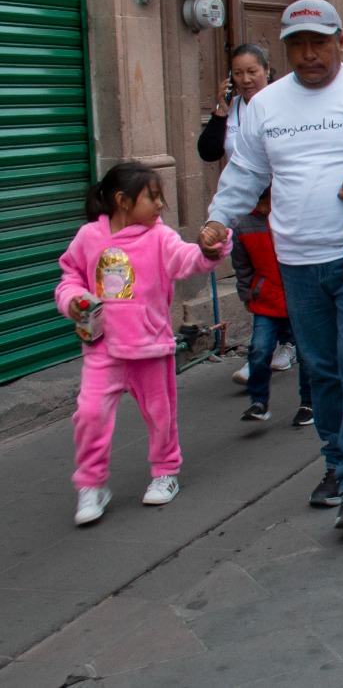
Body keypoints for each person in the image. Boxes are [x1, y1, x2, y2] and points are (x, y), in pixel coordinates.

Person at [202, 0, 343, 532]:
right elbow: (246, 173)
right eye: (298, 46)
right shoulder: (266, 104)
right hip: (297, 262)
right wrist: (219, 219)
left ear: (342, 42)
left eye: (319, 43)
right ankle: (334, 463)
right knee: (320, 368)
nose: (309, 55)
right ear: (286, 49)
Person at [57, 163, 229, 525]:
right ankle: (92, 484)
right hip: (102, 348)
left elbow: (187, 258)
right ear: (122, 201)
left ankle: (165, 471)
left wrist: (210, 251)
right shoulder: (89, 237)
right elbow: (70, 275)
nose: (160, 205)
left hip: (150, 346)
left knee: (160, 414)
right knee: (89, 415)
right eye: (152, 197)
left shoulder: (159, 237)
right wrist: (72, 299)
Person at [198, 45, 296, 385]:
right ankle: (266, 343)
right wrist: (221, 109)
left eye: (252, 71)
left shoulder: (284, 105)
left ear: (267, 70)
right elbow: (208, 151)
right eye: (238, 74)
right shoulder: (234, 108)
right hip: (244, 205)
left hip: (279, 205)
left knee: (280, 273)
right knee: (252, 276)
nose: (245, 79)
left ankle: (284, 343)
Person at [233, 187, 315, 427]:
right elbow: (242, 267)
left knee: (307, 355)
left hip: (299, 298)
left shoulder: (291, 216)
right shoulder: (244, 226)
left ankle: (308, 402)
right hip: (266, 300)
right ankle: (259, 401)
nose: (266, 206)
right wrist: (248, 295)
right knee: (259, 350)